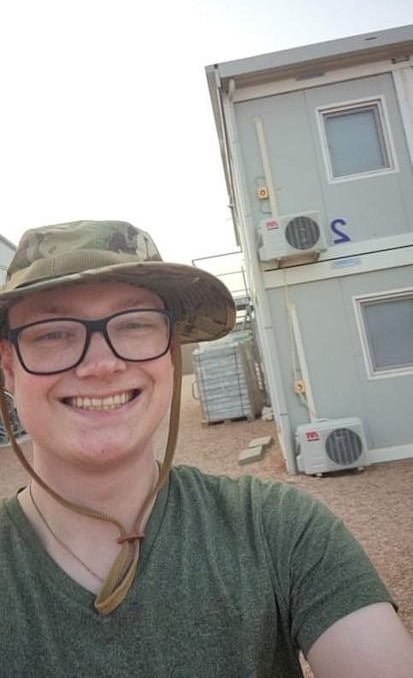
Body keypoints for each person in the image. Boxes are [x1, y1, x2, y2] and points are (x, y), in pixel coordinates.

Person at [0, 219, 411, 678]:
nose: (101, 364)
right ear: (9, 367)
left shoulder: (276, 530)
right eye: (54, 332)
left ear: (171, 353)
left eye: (135, 324)